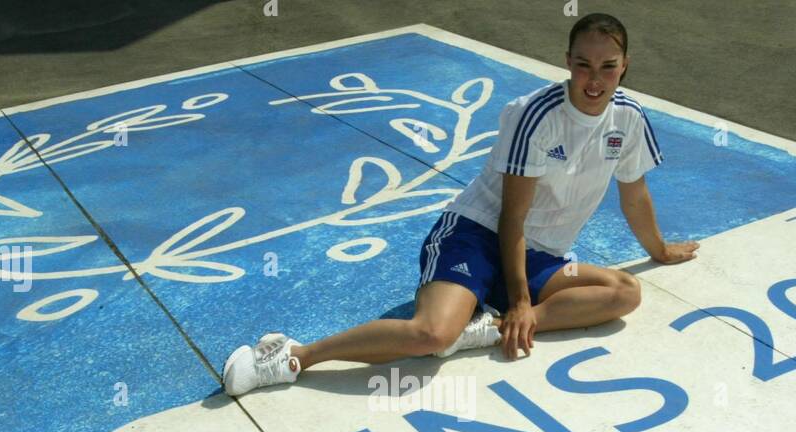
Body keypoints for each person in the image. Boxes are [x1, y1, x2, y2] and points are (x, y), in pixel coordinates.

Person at [223, 12, 700, 396]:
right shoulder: (533, 115)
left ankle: (484, 328)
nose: (594, 79)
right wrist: (519, 301)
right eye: (583, 64)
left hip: (541, 256)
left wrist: (658, 250)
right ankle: (293, 356)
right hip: (477, 234)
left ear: (625, 64)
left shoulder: (629, 118)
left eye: (607, 66)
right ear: (567, 61)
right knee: (431, 335)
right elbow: (511, 217)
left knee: (624, 293)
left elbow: (634, 194)